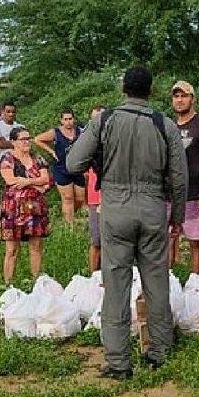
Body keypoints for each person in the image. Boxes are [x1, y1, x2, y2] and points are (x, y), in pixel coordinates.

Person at [66, 66, 187, 380]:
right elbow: (179, 179)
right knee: (156, 281)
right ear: (151, 90)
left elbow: (72, 163)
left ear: (123, 88)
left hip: (116, 207)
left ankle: (118, 362)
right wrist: (176, 218)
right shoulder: (165, 124)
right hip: (152, 207)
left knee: (116, 285)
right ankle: (160, 351)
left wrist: (102, 166)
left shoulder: (103, 121)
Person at [167, 82, 199, 273]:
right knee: (168, 238)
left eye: (184, 96)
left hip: (195, 194)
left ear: (193, 99)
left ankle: (196, 281)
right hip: (170, 193)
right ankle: (168, 280)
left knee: (195, 241)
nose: (179, 100)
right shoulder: (169, 127)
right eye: (176, 96)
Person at [0, 127, 52, 284]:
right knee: (11, 249)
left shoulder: (38, 158)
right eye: (23, 139)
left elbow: (46, 179)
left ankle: (36, 283)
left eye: (28, 138)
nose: (27, 142)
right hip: (13, 209)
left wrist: (26, 182)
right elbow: (10, 180)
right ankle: (8, 285)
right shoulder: (7, 159)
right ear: (14, 142)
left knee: (36, 246)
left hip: (35, 208)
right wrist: (37, 184)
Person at [35, 109, 87, 224]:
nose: (68, 122)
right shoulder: (56, 132)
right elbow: (38, 139)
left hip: (77, 168)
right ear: (61, 121)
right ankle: (69, 225)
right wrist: (51, 151)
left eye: (70, 119)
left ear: (74, 119)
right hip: (61, 168)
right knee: (67, 198)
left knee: (80, 198)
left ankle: (71, 216)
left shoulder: (80, 131)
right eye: (65, 119)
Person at [84, 106, 106, 272]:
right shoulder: (87, 141)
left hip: (114, 197)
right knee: (97, 240)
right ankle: (94, 276)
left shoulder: (115, 139)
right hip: (94, 196)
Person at [0, 103, 20, 170]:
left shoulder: (20, 127)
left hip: (19, 162)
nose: (11, 114)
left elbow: (27, 143)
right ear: (3, 112)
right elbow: (0, 144)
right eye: (8, 112)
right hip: (2, 163)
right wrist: (18, 142)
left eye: (13, 112)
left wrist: (5, 141)